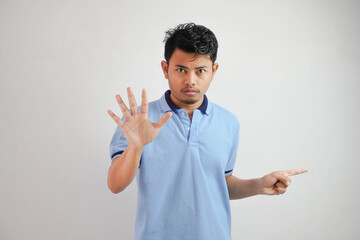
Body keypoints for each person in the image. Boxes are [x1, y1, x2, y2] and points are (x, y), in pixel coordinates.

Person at [107, 23, 308, 240]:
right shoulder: (137, 122)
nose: (190, 80)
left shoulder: (229, 123)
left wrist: (258, 185)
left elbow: (220, 183)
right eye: (181, 69)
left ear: (214, 70)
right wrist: (136, 146)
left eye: (200, 70)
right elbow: (115, 185)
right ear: (166, 69)